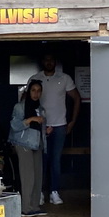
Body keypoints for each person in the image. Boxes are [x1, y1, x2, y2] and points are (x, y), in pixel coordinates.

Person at [30, 53, 81, 206]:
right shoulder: (35, 78)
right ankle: (39, 192)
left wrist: (72, 122)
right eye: (46, 59)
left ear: (55, 62)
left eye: (51, 59)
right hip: (40, 126)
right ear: (43, 62)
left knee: (55, 160)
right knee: (41, 160)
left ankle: (54, 192)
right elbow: (25, 100)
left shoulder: (64, 78)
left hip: (59, 125)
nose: (49, 62)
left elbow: (77, 98)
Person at [8, 80, 45, 217]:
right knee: (27, 176)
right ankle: (25, 208)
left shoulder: (41, 109)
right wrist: (30, 120)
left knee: (37, 175)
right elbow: (14, 126)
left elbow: (40, 128)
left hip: (37, 143)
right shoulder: (20, 107)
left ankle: (34, 206)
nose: (36, 93)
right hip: (23, 143)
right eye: (33, 90)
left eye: (38, 91)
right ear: (28, 92)